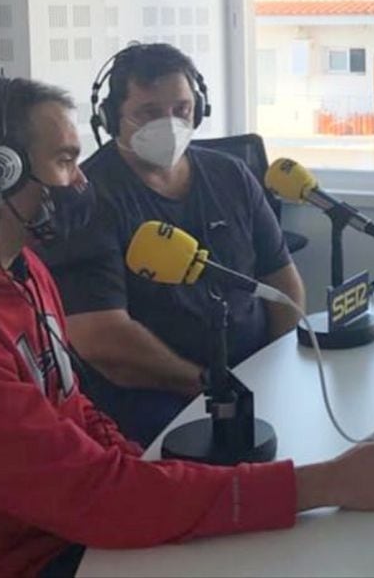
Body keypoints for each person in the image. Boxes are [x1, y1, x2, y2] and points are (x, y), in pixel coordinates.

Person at [0, 76, 374, 576]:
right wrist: (324, 484)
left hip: (82, 530)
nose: (81, 181)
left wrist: (150, 469)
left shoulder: (21, 263)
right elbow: (93, 497)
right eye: (64, 161)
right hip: (28, 561)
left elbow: (71, 406)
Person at [39, 43, 305, 445]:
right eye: (148, 113)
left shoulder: (231, 175)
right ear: (112, 119)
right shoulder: (89, 198)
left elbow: (282, 280)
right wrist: (211, 387)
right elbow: (102, 338)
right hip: (155, 396)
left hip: (254, 374)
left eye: (181, 109)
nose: (169, 123)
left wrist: (276, 369)